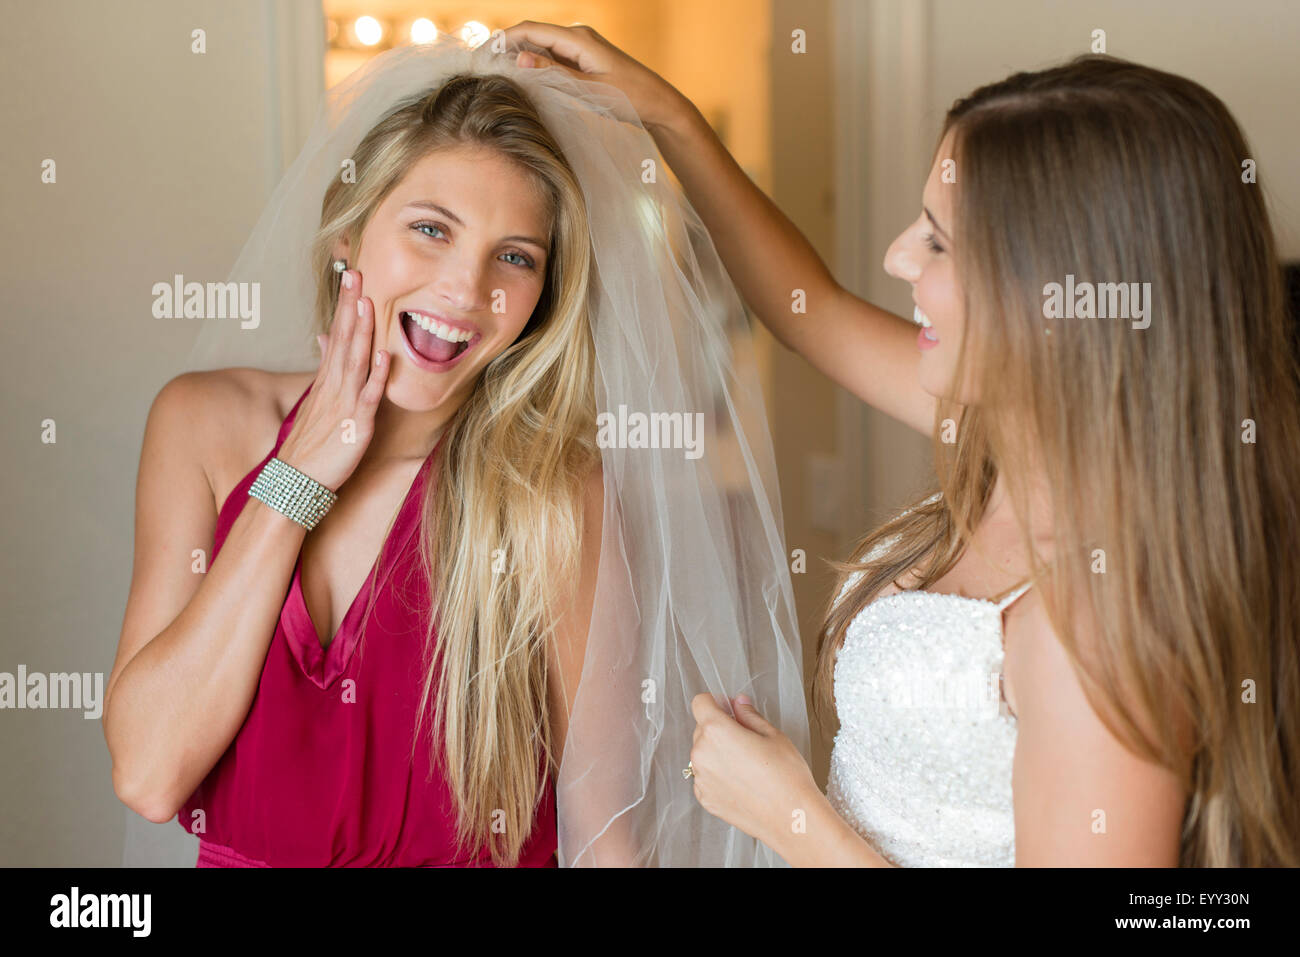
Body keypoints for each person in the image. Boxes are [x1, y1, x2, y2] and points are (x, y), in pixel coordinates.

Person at [506, 22, 1300, 866]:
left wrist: (791, 815)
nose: (894, 257)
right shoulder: (1006, 437)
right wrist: (669, 117)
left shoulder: (1104, 623)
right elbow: (808, 309)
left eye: (938, 240)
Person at [105, 35, 809, 867]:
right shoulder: (203, 423)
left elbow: (604, 838)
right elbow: (150, 773)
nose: (466, 291)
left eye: (515, 257)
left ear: (541, 298)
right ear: (349, 232)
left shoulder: (554, 489)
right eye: (431, 229)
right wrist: (298, 474)